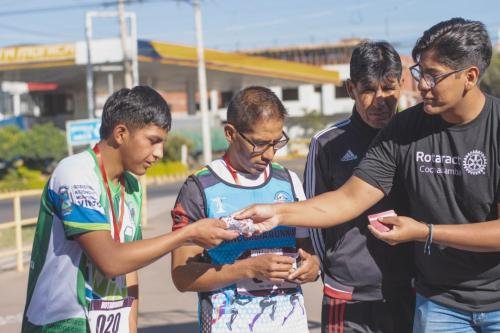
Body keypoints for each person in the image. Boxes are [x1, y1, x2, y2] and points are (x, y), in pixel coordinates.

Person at [236, 18, 500, 332]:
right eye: (419, 73)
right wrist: (278, 213)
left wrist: (424, 232)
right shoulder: (404, 129)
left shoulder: (494, 128)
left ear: (470, 76)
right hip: (438, 303)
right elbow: (348, 199)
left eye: (433, 75)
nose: (423, 85)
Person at [22, 86, 238, 333]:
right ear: (121, 133)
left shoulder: (132, 186)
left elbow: (129, 268)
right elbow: (111, 261)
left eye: (162, 143)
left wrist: (130, 326)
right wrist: (187, 234)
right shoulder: (76, 173)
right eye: (153, 141)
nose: (158, 153)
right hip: (60, 325)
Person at [170, 86, 320, 333]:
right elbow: (182, 276)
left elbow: (308, 252)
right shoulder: (200, 187)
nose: (270, 154)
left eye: (277, 142)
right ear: (230, 133)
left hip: (290, 323)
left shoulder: (289, 181)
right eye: (260, 144)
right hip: (227, 324)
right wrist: (247, 268)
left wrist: (313, 266)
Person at [304, 41, 414, 333]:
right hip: (348, 292)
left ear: (401, 84)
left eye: (388, 88)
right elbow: (313, 215)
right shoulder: (326, 143)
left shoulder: (419, 137)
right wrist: (331, 269)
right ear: (350, 89)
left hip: (410, 288)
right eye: (367, 90)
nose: (379, 99)